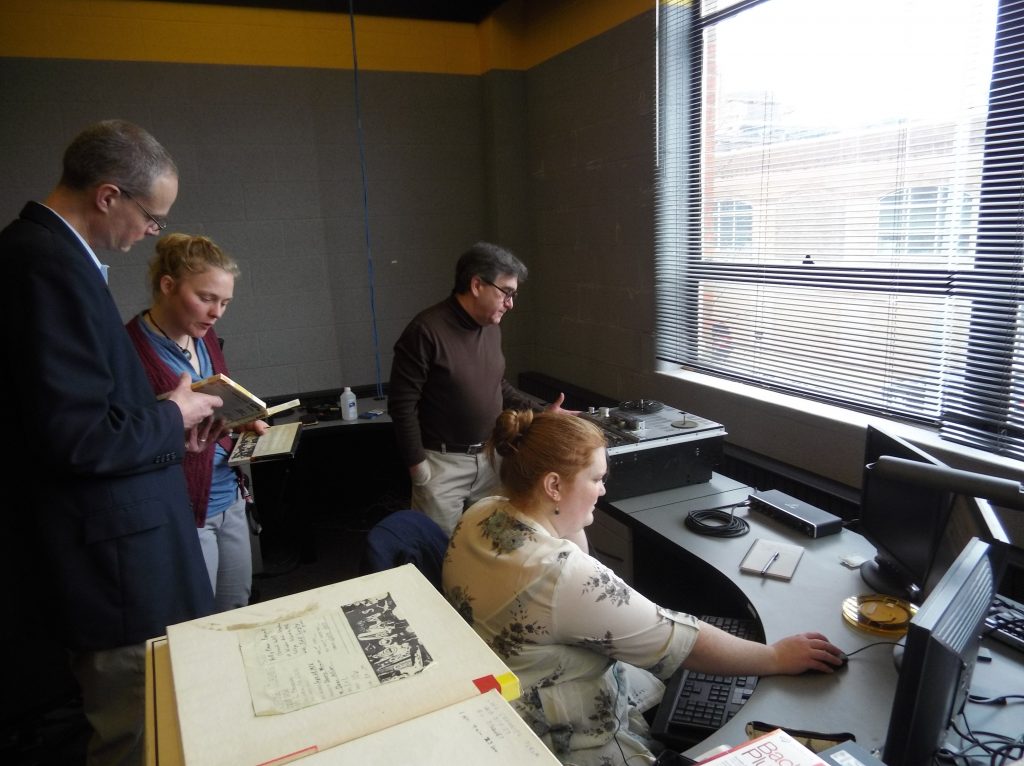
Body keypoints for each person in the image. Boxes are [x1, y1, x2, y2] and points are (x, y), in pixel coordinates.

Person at [0, 119, 222, 766]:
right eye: (150, 218)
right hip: (116, 566)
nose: (149, 234)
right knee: (138, 733)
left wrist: (163, 421)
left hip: (127, 546)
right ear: (107, 196)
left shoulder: (54, 260)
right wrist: (172, 415)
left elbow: (84, 413)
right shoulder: (44, 266)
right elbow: (75, 438)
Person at [443, 410, 846, 766]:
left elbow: (578, 566)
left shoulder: (483, 512)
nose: (602, 490)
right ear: (553, 486)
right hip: (568, 742)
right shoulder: (561, 574)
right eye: (596, 478)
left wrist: (570, 519)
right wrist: (774, 656)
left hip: (504, 712)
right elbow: (681, 640)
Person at [126, 233, 267, 612]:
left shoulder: (206, 338)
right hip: (182, 510)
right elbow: (126, 439)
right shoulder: (130, 350)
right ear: (167, 286)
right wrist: (173, 436)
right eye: (206, 298)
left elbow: (216, 406)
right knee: (196, 618)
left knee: (236, 605)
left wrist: (243, 423)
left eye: (224, 302)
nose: (216, 312)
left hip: (229, 495)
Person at [388, 241, 570, 535]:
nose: (510, 303)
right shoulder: (425, 331)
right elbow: (401, 405)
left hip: (490, 457)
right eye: (506, 293)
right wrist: (418, 468)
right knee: (437, 554)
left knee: (492, 546)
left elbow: (497, 385)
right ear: (476, 285)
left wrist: (541, 412)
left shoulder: (491, 327)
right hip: (441, 465)